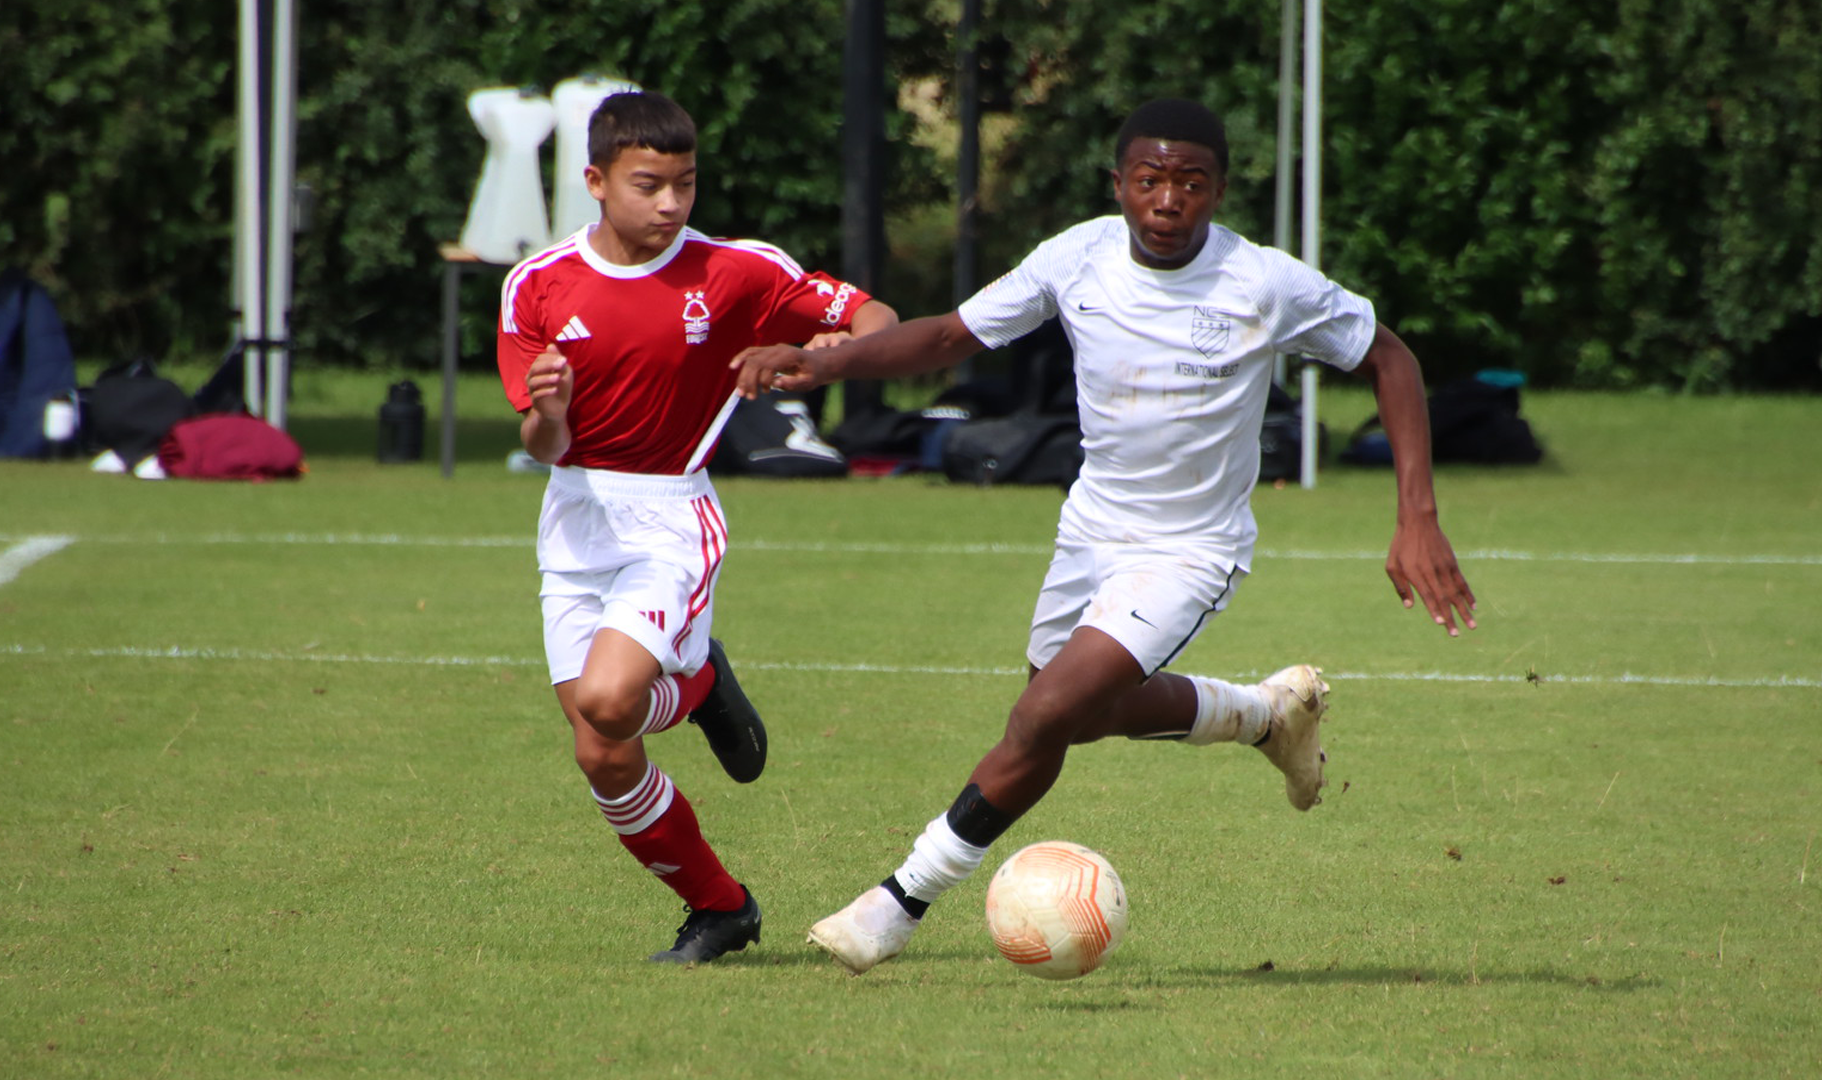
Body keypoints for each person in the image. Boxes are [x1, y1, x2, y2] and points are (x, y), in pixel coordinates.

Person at [732, 98, 1476, 975]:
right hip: (1091, 530)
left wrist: (1416, 516)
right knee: (1071, 720)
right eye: (1151, 180)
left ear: (1220, 190)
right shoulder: (1076, 256)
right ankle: (1265, 716)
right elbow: (946, 337)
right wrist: (825, 361)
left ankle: (897, 903)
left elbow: (1390, 357)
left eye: (1192, 183)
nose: (1169, 201)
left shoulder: (1264, 283)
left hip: (1190, 549)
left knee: (1042, 714)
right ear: (1119, 183)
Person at [497, 90, 899, 965]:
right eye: (650, 185)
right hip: (573, 517)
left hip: (671, 517)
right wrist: (548, 411)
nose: (672, 204)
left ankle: (696, 683)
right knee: (602, 753)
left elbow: (874, 322)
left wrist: (806, 355)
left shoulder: (736, 271)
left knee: (609, 701)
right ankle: (722, 907)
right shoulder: (537, 286)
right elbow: (540, 441)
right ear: (596, 181)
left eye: (685, 184)